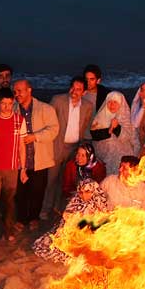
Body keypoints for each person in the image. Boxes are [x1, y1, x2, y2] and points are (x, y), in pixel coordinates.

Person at [42, 75, 93, 218]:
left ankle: (58, 207)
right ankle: (45, 210)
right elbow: (47, 122)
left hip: (74, 149)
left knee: (67, 180)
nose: (74, 91)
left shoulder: (88, 106)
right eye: (73, 87)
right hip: (57, 146)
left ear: (84, 92)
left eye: (78, 89)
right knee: (51, 180)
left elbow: (85, 126)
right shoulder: (58, 100)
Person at [0, 87, 28, 245]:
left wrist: (23, 168)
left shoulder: (19, 120)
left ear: (13, 103)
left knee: (9, 200)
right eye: (3, 104)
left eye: (10, 104)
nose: (7, 107)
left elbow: (22, 146)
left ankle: (8, 231)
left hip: (12, 168)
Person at [13, 79, 59, 232]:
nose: (17, 94)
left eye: (20, 91)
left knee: (38, 191)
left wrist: (35, 136)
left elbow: (54, 130)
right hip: (20, 159)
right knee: (20, 192)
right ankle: (21, 219)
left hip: (40, 158)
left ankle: (34, 218)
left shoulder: (46, 108)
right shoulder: (13, 109)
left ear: (29, 90)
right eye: (15, 91)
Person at [32, 178, 110, 263]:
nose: (83, 195)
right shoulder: (75, 201)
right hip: (74, 233)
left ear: (94, 190)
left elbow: (104, 222)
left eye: (87, 192)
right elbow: (67, 218)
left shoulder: (100, 202)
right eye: (81, 192)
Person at [90, 91, 134, 175]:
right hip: (103, 158)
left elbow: (128, 137)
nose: (112, 105)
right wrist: (109, 130)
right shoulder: (100, 117)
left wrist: (116, 127)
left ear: (121, 104)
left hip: (120, 158)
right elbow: (94, 135)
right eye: (109, 102)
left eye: (115, 102)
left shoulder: (126, 118)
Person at [130, 80, 145, 154]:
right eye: (142, 90)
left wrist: (144, 107)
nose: (144, 93)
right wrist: (143, 107)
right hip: (137, 142)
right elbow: (135, 124)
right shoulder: (137, 106)